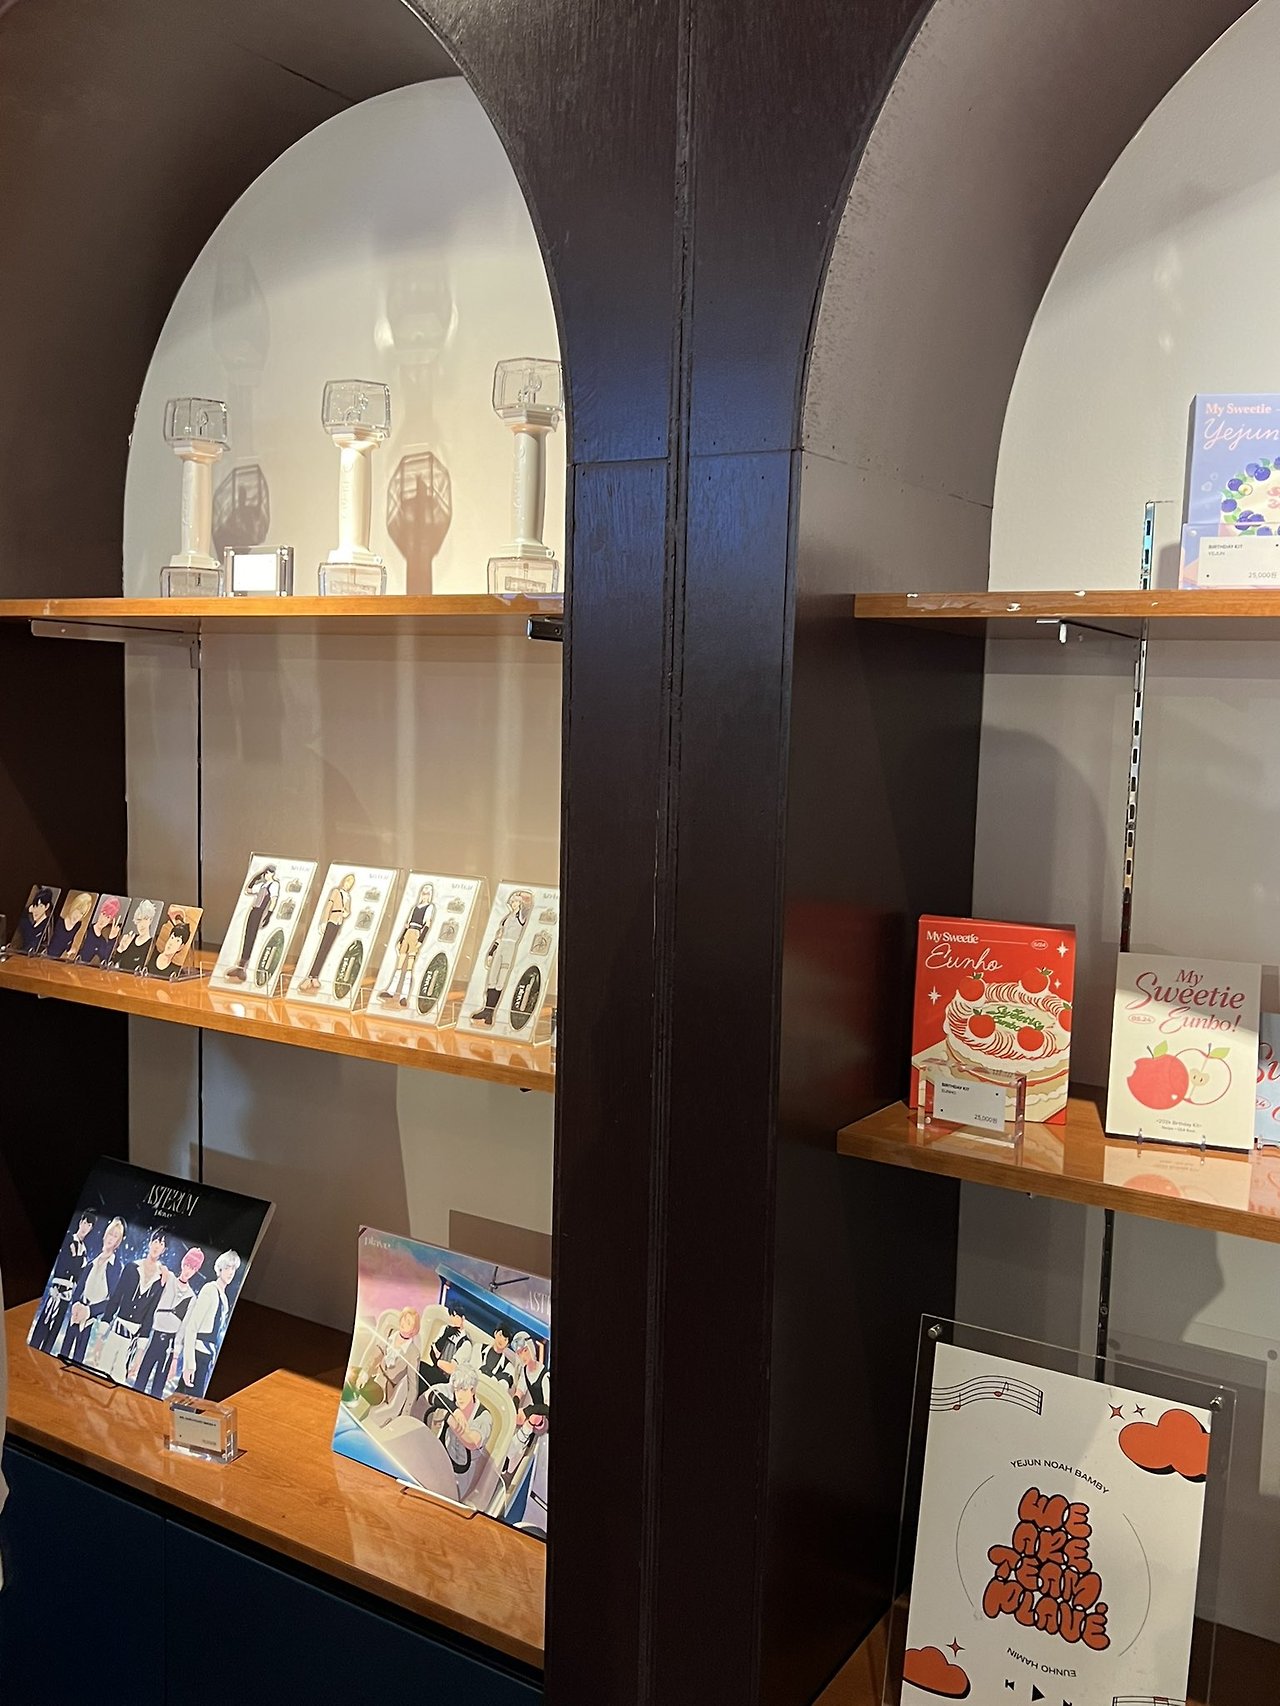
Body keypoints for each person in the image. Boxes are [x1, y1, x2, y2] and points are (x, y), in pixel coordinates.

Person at [96, 1229, 168, 1385]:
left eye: (161, 1244)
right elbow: (115, 1299)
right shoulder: (131, 1268)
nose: (157, 1246)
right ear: (150, 1243)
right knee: (101, 1371)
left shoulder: (160, 1279)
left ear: (164, 1250)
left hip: (133, 1337)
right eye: (155, 1241)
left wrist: (140, 1351)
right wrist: (101, 1334)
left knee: (119, 1379)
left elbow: (150, 1313)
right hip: (116, 1329)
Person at [134, 1244, 205, 1398]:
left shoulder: (191, 1297)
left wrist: (175, 1356)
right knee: (140, 1379)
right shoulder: (170, 1278)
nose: (188, 1270)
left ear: (196, 1271)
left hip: (169, 1343)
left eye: (192, 1268)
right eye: (187, 1265)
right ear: (182, 1264)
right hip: (153, 1335)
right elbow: (157, 1269)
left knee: (158, 1388)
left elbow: (183, 1328)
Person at [60, 1215, 126, 1364]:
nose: (111, 1238)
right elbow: (79, 1290)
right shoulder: (91, 1263)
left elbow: (112, 1302)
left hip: (92, 1321)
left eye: (115, 1236)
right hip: (76, 1315)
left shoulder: (116, 1268)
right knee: (63, 1353)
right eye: (110, 1233)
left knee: (78, 1360)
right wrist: (76, 1305)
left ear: (119, 1241)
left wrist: (89, 1311)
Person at [29, 1210, 94, 1355]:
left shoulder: (84, 1251)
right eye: (84, 1222)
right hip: (56, 1290)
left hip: (67, 1295)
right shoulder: (69, 1239)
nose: (85, 1226)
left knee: (55, 1329)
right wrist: (77, 1260)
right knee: (43, 1324)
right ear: (80, 1222)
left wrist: (76, 1258)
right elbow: (66, 1263)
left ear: (91, 1228)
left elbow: (78, 1274)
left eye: (89, 1225)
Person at [425, 1366, 492, 1502]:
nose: (459, 1395)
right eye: (456, 1390)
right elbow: (430, 1393)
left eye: (463, 1390)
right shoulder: (453, 1400)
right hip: (444, 1459)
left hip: (464, 1471)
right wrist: (454, 1409)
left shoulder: (484, 1416)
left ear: (472, 1390)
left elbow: (472, 1442)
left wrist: (449, 1418)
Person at [179, 1250, 241, 1395]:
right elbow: (192, 1327)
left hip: (208, 1357)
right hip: (198, 1354)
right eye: (227, 1268)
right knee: (185, 1398)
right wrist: (189, 1364)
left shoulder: (224, 1298)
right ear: (220, 1269)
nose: (230, 1272)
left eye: (233, 1268)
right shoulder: (209, 1289)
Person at [469, 889, 533, 1026]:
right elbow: (499, 936)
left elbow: (528, 902)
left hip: (510, 947)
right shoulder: (506, 918)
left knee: (500, 981)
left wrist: (520, 895)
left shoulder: (521, 916)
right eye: (512, 901)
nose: (514, 903)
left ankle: (490, 1013)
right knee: (492, 978)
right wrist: (491, 952)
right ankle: (486, 1010)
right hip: (500, 947)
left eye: (516, 901)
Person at [353, 1307, 422, 1425]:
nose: (403, 1323)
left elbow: (413, 1387)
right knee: (352, 1375)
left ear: (414, 1330)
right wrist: (364, 1373)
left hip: (385, 1390)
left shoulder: (413, 1353)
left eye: (408, 1322)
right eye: (404, 1318)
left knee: (365, 1396)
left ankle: (354, 1421)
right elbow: (375, 1356)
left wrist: (405, 1414)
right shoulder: (390, 1334)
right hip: (374, 1377)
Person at [377, 882, 435, 1007]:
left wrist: (420, 940)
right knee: (400, 964)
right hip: (408, 932)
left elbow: (427, 924)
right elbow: (407, 924)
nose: (425, 895)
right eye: (423, 893)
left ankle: (404, 996)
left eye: (427, 893)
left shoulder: (429, 907)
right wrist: (401, 938)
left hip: (416, 933)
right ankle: (391, 991)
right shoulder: (415, 907)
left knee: (409, 966)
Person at [503, 1331, 550, 1481]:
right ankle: (506, 1462)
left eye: (525, 1351)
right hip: (533, 1413)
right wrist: (514, 1406)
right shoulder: (525, 1371)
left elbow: (547, 1407)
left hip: (543, 1417)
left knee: (533, 1419)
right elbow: (520, 1391)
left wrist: (528, 1411)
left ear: (530, 1348)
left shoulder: (545, 1375)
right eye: (519, 1353)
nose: (523, 1356)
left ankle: (510, 1463)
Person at [297, 872, 354, 994]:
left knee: (327, 949)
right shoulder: (336, 892)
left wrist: (345, 913)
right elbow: (329, 906)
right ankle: (310, 976)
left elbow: (348, 911)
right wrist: (324, 921)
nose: (347, 885)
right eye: (347, 882)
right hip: (331, 920)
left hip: (338, 922)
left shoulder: (348, 897)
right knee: (322, 948)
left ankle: (315, 976)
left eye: (350, 884)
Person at [223, 864, 278, 983]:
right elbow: (248, 890)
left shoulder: (274, 885)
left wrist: (268, 915)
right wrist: (255, 878)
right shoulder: (262, 885)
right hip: (254, 911)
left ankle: (245, 966)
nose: (266, 875)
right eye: (265, 873)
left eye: (268, 873)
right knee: (247, 936)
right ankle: (240, 965)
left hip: (261, 912)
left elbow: (273, 900)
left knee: (252, 937)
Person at [420, 1303, 472, 1391]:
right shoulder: (445, 1329)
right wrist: (445, 1336)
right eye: (451, 1315)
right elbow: (432, 1353)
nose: (452, 1319)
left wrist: (438, 1362)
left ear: (463, 1318)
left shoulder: (465, 1343)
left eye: (455, 1316)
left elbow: (452, 1369)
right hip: (435, 1371)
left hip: (447, 1381)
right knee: (419, 1366)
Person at [110, 899, 159, 974]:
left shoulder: (152, 946)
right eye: (139, 920)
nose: (142, 924)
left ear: (150, 920)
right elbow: (111, 964)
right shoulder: (129, 939)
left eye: (145, 919)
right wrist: (120, 949)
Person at [45, 890, 95, 960]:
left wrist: (71, 950)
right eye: (78, 910)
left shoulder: (78, 925)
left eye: (82, 913)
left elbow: (68, 942)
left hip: (57, 959)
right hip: (45, 955)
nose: (78, 915)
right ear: (73, 906)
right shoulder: (59, 921)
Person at [78, 895, 124, 966]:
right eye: (104, 913)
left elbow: (105, 961)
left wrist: (112, 939)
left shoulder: (103, 942)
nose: (104, 919)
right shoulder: (86, 930)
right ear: (100, 912)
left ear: (110, 921)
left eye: (108, 917)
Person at [477, 1322, 516, 1388]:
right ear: (495, 1333)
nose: (501, 1340)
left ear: (508, 1345)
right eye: (500, 1335)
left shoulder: (508, 1367)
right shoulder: (479, 1348)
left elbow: (502, 1387)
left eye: (505, 1339)